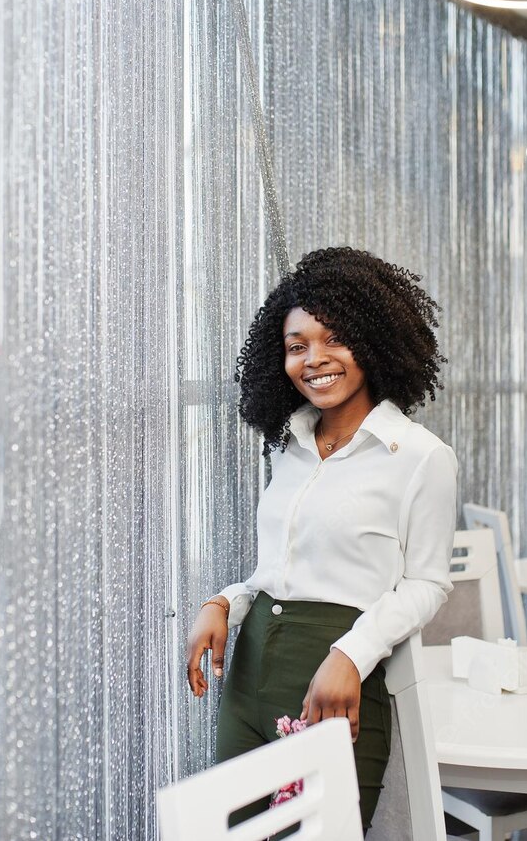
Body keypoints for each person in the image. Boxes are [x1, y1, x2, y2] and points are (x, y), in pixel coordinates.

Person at [185, 246, 459, 831]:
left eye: (335, 338)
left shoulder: (420, 457)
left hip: (334, 682)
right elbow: (277, 573)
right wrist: (225, 604)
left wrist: (349, 655)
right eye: (296, 345)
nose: (315, 359)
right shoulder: (289, 448)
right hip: (249, 673)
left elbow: (428, 585)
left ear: (374, 340)